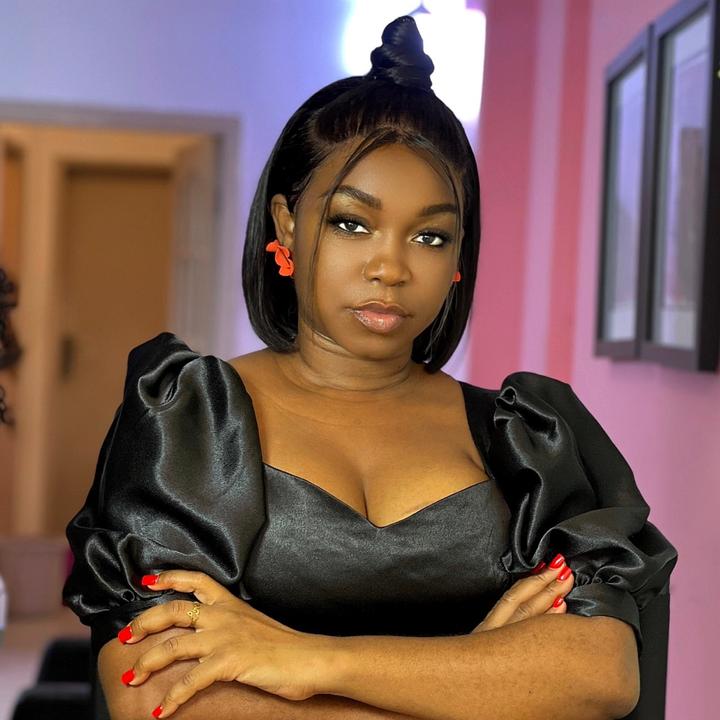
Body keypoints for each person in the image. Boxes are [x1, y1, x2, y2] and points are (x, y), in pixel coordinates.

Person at [62, 15, 678, 720]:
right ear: (287, 224)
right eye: (352, 223)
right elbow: (158, 695)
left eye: (431, 235)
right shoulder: (186, 420)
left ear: (459, 255)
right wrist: (479, 681)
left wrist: (306, 659)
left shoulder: (530, 437)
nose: (390, 267)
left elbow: (600, 674)